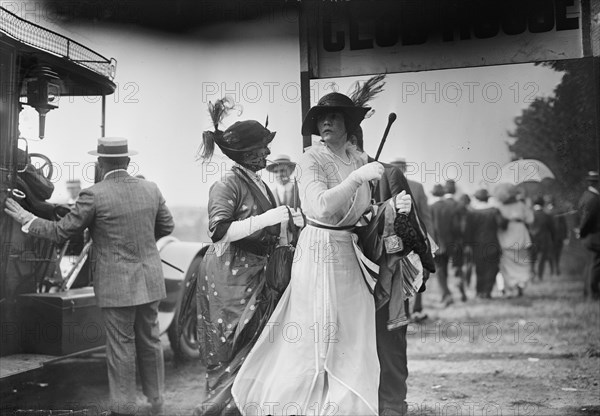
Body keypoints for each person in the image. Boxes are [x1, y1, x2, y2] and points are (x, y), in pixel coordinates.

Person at [232, 92, 412, 415]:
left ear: (348, 123)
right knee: (318, 336)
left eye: (333, 116)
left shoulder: (358, 159)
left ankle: (347, 406)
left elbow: (361, 213)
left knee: (354, 332)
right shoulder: (310, 159)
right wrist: (357, 179)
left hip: (347, 252)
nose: (325, 122)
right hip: (318, 250)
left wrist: (390, 207)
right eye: (320, 118)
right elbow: (319, 205)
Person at [4, 137, 174, 416]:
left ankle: (124, 408)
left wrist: (26, 218)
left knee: (121, 345)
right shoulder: (151, 189)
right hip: (150, 279)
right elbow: (167, 225)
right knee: (150, 339)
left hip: (115, 283)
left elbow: (61, 232)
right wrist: (140, 244)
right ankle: (156, 400)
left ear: (100, 163)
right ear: (128, 162)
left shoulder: (94, 194)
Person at [194, 99, 304, 415]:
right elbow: (219, 232)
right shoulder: (227, 184)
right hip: (230, 280)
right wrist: (269, 220)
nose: (268, 155)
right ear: (244, 154)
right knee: (231, 348)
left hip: (252, 277)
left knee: (254, 350)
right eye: (261, 149)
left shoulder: (256, 182)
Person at [354, 133, 434, 415]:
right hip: (345, 275)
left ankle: (391, 406)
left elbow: (408, 227)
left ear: (353, 140)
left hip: (387, 274)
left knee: (389, 342)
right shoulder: (328, 177)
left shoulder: (388, 174)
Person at [390, 158, 432, 321]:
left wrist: (428, 239)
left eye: (401, 168)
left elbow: (425, 215)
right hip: (394, 240)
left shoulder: (416, 187)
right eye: (395, 168)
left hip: (416, 239)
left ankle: (417, 309)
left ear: (405, 169)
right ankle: (402, 313)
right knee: (397, 276)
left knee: (421, 272)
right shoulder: (385, 186)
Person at [494, 183, 534, 297]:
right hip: (520, 234)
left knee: (506, 263)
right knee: (522, 260)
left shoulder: (499, 206)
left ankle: (510, 286)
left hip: (505, 235)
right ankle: (520, 284)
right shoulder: (521, 205)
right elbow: (530, 219)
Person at [464, 189, 505, 298]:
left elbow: (468, 230)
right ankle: (487, 291)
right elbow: (503, 224)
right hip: (493, 242)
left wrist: (467, 244)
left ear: (476, 199)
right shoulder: (494, 211)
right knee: (492, 268)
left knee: (479, 268)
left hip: (477, 245)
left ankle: (479, 291)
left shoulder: (471, 212)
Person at [430, 179, 462, 306]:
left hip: (437, 243)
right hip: (451, 242)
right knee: (446, 269)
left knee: (440, 270)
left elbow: (429, 227)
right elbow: (456, 227)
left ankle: (446, 294)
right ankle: (447, 293)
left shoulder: (430, 208)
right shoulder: (451, 207)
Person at [577, 171, 600, 299]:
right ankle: (593, 293)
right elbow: (587, 219)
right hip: (593, 236)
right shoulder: (593, 199)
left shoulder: (586, 196)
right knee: (595, 265)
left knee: (591, 264)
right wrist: (582, 232)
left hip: (589, 236)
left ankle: (588, 292)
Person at [529, 196, 556, 281]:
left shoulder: (530, 215)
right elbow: (552, 229)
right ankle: (540, 277)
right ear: (543, 204)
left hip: (531, 240)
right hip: (544, 240)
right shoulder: (547, 216)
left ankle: (532, 276)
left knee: (531, 260)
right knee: (541, 260)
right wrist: (553, 240)